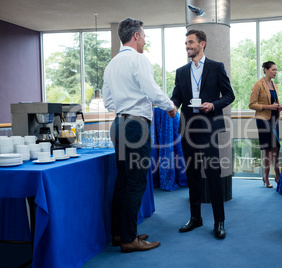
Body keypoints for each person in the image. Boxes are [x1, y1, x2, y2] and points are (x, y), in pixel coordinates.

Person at [102, 17, 177, 253]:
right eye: (143, 35)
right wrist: (170, 107)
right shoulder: (138, 59)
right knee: (135, 183)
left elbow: (108, 101)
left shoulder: (111, 64)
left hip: (119, 124)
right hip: (136, 126)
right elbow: (152, 90)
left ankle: (119, 233)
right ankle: (129, 239)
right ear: (135, 36)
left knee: (123, 181)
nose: (144, 40)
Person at [171, 30, 235, 239]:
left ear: (202, 44)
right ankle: (195, 217)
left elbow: (229, 95)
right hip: (188, 129)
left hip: (208, 128)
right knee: (192, 174)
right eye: (186, 43)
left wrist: (213, 105)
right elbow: (176, 97)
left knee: (213, 174)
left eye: (191, 42)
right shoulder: (181, 72)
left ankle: (219, 221)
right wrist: (170, 105)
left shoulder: (216, 67)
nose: (187, 45)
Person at [249, 61, 282, 188]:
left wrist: (279, 107)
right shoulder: (258, 84)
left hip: (274, 119)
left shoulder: (275, 85)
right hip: (263, 119)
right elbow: (251, 104)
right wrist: (268, 106)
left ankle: (268, 176)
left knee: (274, 148)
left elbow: (274, 102)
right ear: (266, 70)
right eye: (273, 70)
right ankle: (275, 175)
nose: (275, 72)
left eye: (276, 70)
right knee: (271, 148)